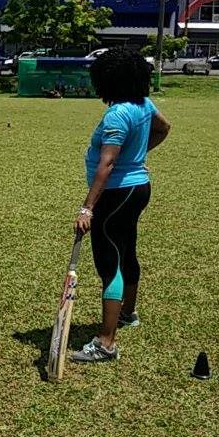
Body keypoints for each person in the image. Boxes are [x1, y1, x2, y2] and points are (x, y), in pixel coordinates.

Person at [70, 48, 171, 363]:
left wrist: (87, 207)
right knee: (127, 251)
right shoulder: (143, 104)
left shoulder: (117, 114)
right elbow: (164, 128)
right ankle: (127, 313)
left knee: (109, 261)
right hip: (138, 188)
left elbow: (108, 163)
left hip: (116, 193)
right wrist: (139, 158)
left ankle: (106, 342)